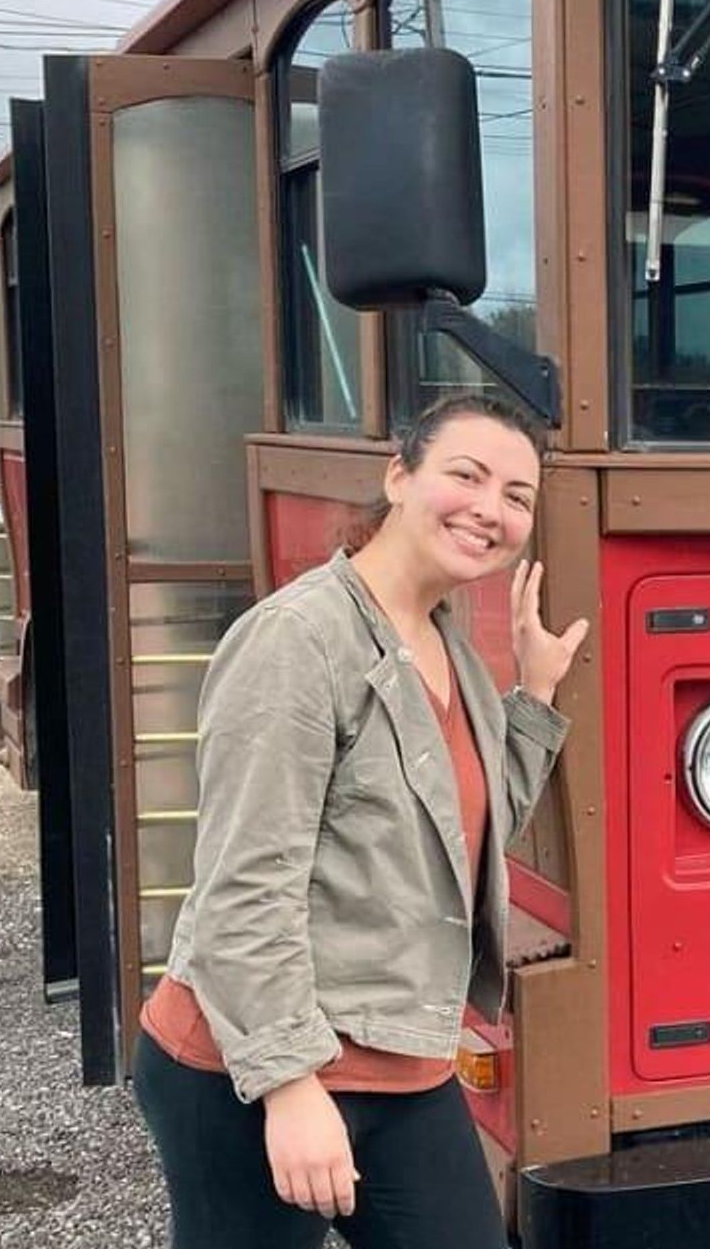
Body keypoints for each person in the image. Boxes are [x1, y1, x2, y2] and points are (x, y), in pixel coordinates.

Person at [132, 392, 589, 1248]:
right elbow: (243, 890)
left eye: (519, 495)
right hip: (245, 1065)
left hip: (403, 1059)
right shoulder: (298, 641)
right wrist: (290, 1087)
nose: (491, 509)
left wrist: (532, 696)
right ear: (398, 476)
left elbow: (460, 839)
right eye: (467, 475)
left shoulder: (445, 641)